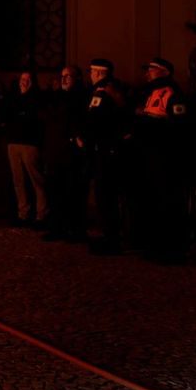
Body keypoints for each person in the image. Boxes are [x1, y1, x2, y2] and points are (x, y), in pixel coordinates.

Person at [125, 56, 194, 262]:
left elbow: (178, 127)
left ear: (165, 72)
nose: (148, 73)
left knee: (167, 202)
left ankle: (169, 248)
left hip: (165, 158)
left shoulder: (172, 93)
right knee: (153, 201)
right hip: (150, 156)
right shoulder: (150, 93)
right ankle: (154, 244)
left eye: (152, 70)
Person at [80, 58, 129, 254]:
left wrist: (88, 138)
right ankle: (108, 235)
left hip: (106, 150)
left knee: (106, 194)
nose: (90, 75)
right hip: (105, 149)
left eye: (92, 72)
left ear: (99, 73)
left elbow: (96, 120)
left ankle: (111, 237)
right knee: (104, 195)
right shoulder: (107, 90)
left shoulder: (103, 91)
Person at [41, 64, 89, 241]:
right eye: (62, 76)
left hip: (71, 154)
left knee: (73, 192)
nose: (64, 79)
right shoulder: (57, 97)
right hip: (55, 153)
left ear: (76, 79)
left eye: (68, 76)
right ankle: (57, 228)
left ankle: (75, 230)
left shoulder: (81, 97)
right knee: (55, 192)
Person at [2, 70, 48, 228]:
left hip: (30, 144)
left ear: (33, 82)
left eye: (28, 79)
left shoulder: (37, 98)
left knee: (37, 180)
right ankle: (23, 213)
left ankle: (42, 214)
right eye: (23, 79)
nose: (24, 82)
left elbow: (35, 118)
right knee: (18, 181)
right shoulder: (15, 98)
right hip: (14, 143)